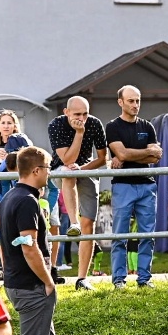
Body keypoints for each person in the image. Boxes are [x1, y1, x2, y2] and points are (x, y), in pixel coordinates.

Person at [0, 147, 62, 335]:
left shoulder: (10, 197)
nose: (49, 171)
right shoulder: (26, 201)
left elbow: (5, 245)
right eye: (47, 167)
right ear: (36, 170)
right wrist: (48, 280)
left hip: (17, 283)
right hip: (31, 285)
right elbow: (28, 245)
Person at [103, 85, 162, 290]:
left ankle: (144, 279)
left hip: (147, 184)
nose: (135, 105)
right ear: (120, 102)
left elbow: (157, 156)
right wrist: (145, 152)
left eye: (138, 100)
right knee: (120, 235)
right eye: (131, 101)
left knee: (147, 235)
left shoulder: (147, 126)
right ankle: (119, 279)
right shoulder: (112, 127)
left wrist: (128, 154)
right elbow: (124, 155)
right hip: (123, 186)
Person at [46, 95, 108, 289]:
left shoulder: (95, 124)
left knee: (89, 222)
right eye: (77, 114)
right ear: (66, 112)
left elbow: (102, 158)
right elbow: (66, 160)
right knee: (68, 171)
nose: (82, 118)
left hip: (86, 169)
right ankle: (74, 223)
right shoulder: (56, 125)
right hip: (61, 171)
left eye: (85, 114)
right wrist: (79, 134)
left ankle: (82, 279)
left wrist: (84, 169)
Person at [0, 109, 30, 219]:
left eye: (9, 123)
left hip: (16, 182)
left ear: (14, 125)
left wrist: (8, 158)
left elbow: (27, 161)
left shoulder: (20, 141)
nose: (6, 126)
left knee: (13, 214)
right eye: (3, 123)